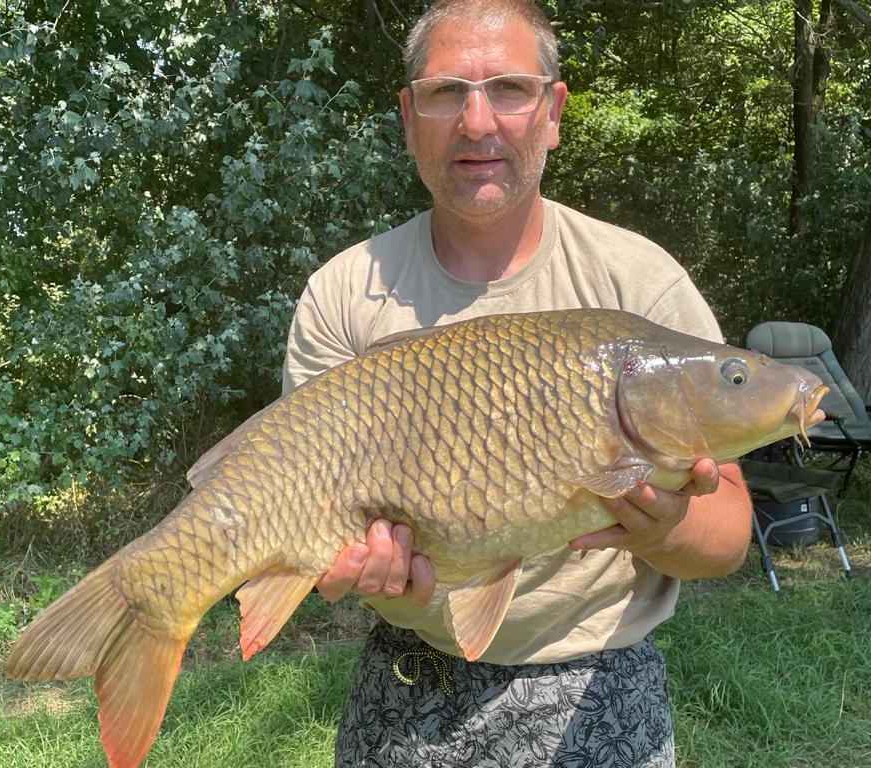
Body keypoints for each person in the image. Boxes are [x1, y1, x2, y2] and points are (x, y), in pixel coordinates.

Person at [281, 1, 752, 765]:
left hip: (600, 686)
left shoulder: (635, 283)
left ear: (554, 110)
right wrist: (364, 576)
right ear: (407, 117)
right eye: (444, 93)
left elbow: (729, 535)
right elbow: (322, 531)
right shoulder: (344, 294)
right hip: (405, 685)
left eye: (508, 88)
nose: (477, 122)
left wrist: (664, 525)